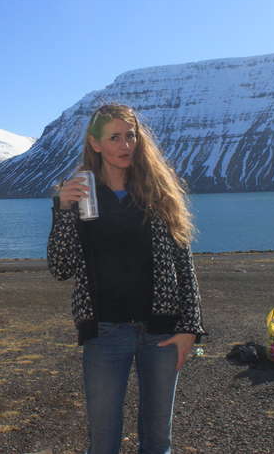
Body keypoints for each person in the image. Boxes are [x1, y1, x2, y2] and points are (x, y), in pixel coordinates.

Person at [47, 103, 206, 454]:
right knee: (103, 442)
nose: (125, 145)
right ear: (95, 143)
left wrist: (189, 328)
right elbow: (61, 268)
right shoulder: (82, 193)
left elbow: (184, 263)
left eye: (131, 135)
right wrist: (62, 211)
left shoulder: (158, 192)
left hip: (162, 333)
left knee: (158, 442)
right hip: (104, 332)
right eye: (114, 137)